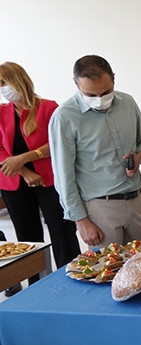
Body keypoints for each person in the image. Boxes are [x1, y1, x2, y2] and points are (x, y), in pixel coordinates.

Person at [49, 55, 141, 249]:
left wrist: (139, 156)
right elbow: (64, 176)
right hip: (100, 207)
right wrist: (81, 220)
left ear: (114, 78)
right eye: (90, 95)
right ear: (76, 84)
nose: (100, 100)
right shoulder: (64, 117)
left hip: (136, 201)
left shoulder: (128, 103)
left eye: (106, 92)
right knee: (108, 265)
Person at [0, 62, 81, 296]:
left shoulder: (48, 107)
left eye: (5, 82)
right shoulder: (2, 112)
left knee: (62, 232)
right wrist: (24, 171)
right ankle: (36, 288)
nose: (3, 88)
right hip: (14, 182)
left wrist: (25, 157)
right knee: (27, 238)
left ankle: (72, 280)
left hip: (49, 181)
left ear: (18, 80)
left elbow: (57, 143)